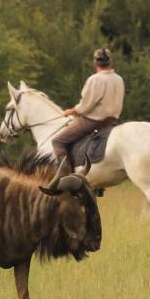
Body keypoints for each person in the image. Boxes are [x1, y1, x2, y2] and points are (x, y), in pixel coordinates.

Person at [41, 48, 124, 194]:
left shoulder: (95, 79)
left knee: (58, 141)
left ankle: (65, 175)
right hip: (111, 121)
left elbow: (86, 106)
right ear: (110, 61)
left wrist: (72, 111)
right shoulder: (118, 79)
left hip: (93, 121)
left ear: (95, 62)